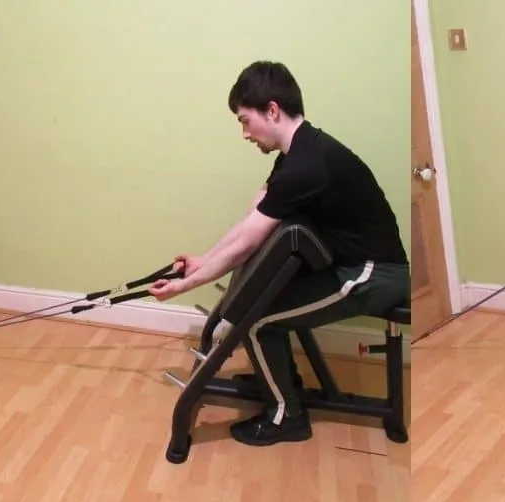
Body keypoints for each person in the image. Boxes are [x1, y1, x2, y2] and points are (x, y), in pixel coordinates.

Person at [150, 61, 410, 446]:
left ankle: (286, 418)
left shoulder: (307, 165)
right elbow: (255, 219)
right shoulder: (299, 153)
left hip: (374, 273)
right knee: (262, 307)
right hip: (353, 265)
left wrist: (185, 285)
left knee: (256, 321)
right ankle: (281, 381)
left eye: (244, 121)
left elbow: (248, 241)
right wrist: (204, 261)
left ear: (272, 111)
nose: (244, 134)